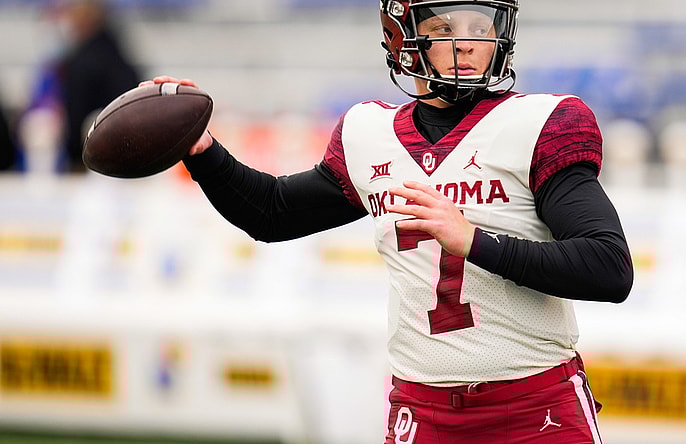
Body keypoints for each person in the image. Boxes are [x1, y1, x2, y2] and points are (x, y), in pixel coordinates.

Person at [143, 0, 633, 442]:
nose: (465, 43)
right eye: (444, 27)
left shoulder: (541, 123)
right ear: (403, 36)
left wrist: (473, 241)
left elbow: (609, 267)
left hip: (534, 408)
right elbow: (272, 213)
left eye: (479, 27)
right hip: (423, 410)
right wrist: (202, 150)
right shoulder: (369, 134)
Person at [53, 0, 140, 172]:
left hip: (90, 159)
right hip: (127, 157)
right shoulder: (120, 56)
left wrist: (74, 155)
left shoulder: (81, 63)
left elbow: (76, 114)